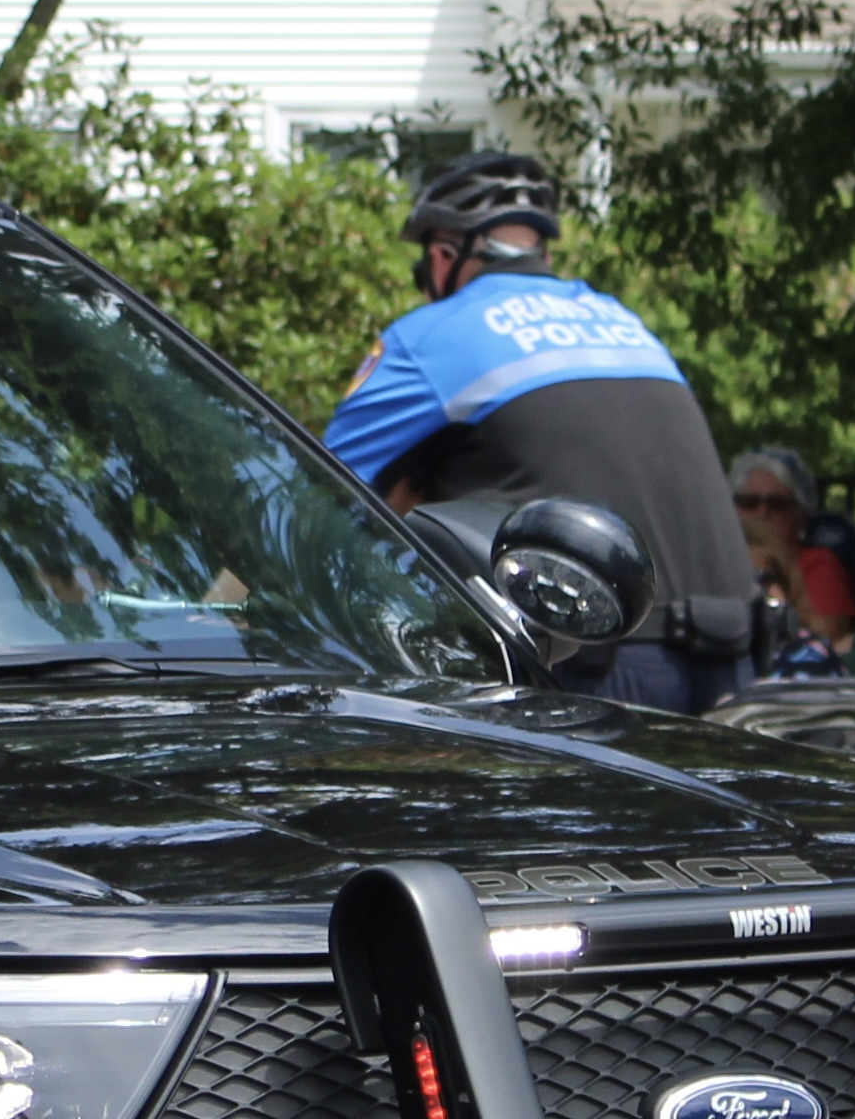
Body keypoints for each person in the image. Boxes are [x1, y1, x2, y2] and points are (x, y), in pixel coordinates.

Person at [324, 151, 762, 709]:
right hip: (734, 661)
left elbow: (314, 489)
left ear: (442, 256)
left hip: (590, 665)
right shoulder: (624, 322)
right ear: (542, 251)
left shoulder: (432, 335)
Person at [730, 447, 855, 646]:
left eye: (777, 505)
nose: (762, 513)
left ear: (800, 517)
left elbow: (829, 644)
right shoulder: (717, 562)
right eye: (749, 503)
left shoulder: (820, 565)